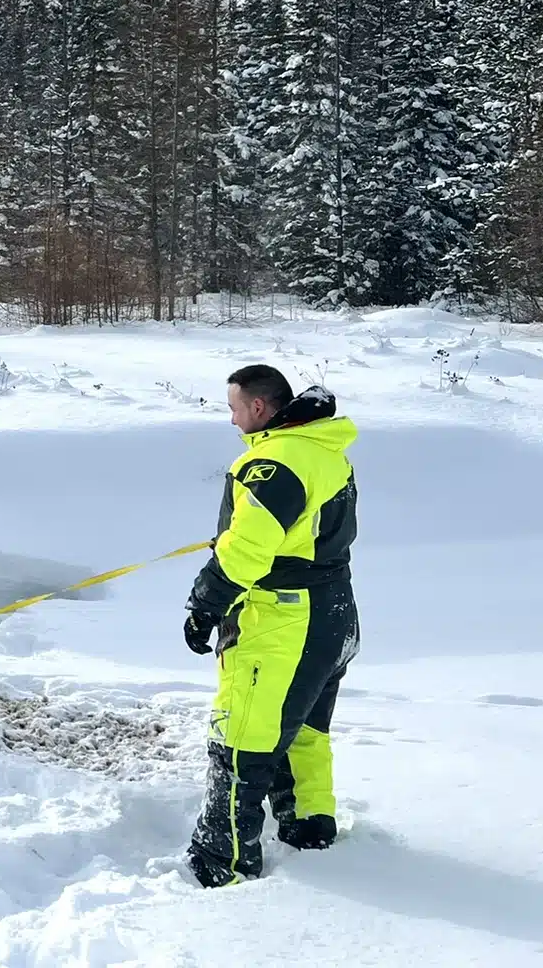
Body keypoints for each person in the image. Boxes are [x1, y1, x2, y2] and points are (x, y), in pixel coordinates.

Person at [183, 363, 360, 888]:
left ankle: (225, 862)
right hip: (334, 613)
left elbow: (247, 552)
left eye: (235, 408)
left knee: (241, 740)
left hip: (283, 619)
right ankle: (310, 827)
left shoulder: (276, 463)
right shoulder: (323, 449)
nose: (232, 419)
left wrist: (204, 603)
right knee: (304, 728)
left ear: (259, 407)